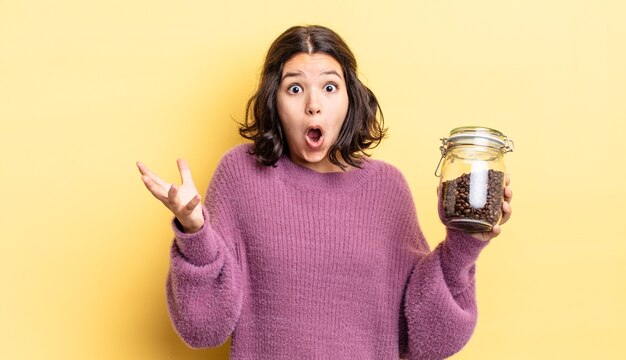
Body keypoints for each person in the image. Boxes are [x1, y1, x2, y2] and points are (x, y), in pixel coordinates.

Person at [136, 25, 513, 360]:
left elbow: (430, 339)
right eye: (295, 88)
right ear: (274, 100)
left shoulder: (387, 188)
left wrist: (465, 244)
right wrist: (194, 231)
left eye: (329, 87)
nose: (313, 104)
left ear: (350, 99)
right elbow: (203, 329)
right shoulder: (241, 175)